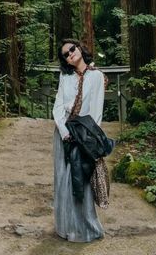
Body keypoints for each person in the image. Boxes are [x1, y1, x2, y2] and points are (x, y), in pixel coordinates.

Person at [52, 38, 107, 242]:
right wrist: (64, 131)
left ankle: (86, 228)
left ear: (80, 48)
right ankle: (66, 226)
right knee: (63, 179)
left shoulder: (97, 76)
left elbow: (96, 110)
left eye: (72, 49)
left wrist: (90, 137)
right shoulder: (65, 76)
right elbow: (58, 105)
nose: (70, 54)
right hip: (64, 130)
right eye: (65, 55)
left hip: (84, 133)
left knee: (82, 180)